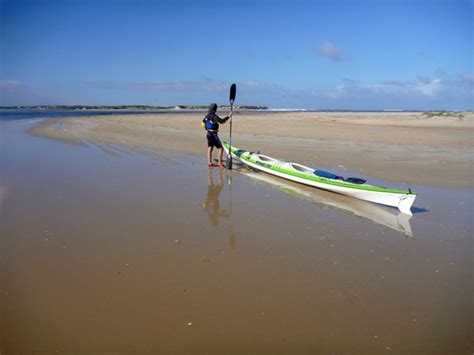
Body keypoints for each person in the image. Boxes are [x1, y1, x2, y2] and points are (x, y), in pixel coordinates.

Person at [202, 103, 232, 168]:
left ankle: (210, 163)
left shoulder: (206, 116)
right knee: (221, 148)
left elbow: (202, 124)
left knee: (210, 148)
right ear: (215, 109)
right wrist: (228, 116)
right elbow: (221, 121)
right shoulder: (214, 116)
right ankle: (219, 163)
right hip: (213, 135)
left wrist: (207, 128)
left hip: (208, 134)